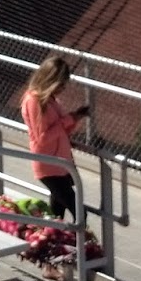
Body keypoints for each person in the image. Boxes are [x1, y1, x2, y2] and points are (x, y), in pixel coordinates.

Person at [21, 56, 88, 233]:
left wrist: (74, 118)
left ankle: (52, 244)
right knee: (80, 212)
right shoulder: (34, 101)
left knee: (57, 213)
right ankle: (78, 249)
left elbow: (60, 130)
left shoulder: (50, 100)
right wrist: (69, 119)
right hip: (48, 166)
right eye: (60, 85)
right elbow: (42, 137)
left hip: (61, 162)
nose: (62, 89)